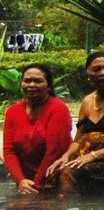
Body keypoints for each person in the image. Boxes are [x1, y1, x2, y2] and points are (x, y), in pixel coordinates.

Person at [42, 52, 104, 193]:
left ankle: (68, 206)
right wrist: (66, 156)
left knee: (68, 172)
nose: (103, 73)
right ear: (88, 73)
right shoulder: (88, 101)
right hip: (92, 157)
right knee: (55, 171)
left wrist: (93, 156)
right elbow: (79, 139)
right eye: (96, 69)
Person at [4, 63, 72, 195]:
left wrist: (36, 186)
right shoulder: (12, 111)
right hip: (25, 183)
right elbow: (9, 151)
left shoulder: (58, 109)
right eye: (27, 81)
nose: (31, 85)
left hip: (55, 179)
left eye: (38, 81)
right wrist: (21, 181)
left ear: (49, 86)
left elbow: (53, 152)